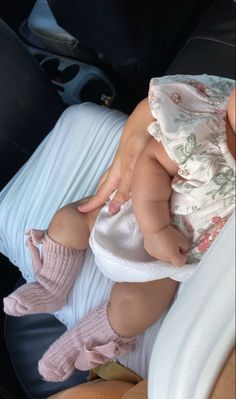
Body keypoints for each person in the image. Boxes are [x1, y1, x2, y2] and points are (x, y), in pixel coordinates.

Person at [3, 74, 235, 383]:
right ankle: (51, 285)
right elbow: (151, 162)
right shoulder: (206, 131)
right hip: (133, 210)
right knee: (71, 219)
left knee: (136, 308)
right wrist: (154, 230)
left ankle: (76, 343)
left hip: (175, 253)